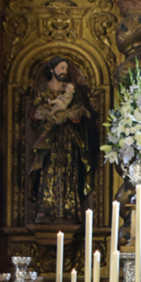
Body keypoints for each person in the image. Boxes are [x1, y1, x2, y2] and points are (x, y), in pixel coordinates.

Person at [28, 56, 98, 224]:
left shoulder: (75, 92)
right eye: (61, 68)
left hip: (68, 140)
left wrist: (76, 117)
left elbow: (82, 114)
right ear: (52, 70)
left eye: (66, 68)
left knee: (69, 172)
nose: (64, 71)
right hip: (48, 140)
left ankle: (69, 211)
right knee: (48, 172)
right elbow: (34, 115)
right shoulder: (43, 90)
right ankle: (45, 210)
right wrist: (38, 116)